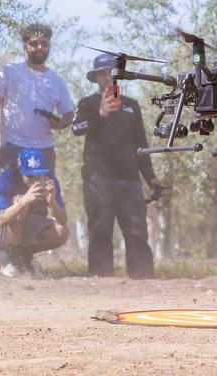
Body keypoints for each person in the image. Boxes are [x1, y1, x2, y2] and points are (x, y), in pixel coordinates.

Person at [0, 23, 74, 268]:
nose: (39, 47)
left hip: (44, 147)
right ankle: (6, 253)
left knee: (39, 204)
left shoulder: (56, 80)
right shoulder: (9, 71)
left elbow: (67, 115)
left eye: (44, 43)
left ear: (49, 46)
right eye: (34, 43)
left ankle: (25, 257)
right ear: (25, 45)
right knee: (14, 200)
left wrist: (58, 123)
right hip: (13, 145)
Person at [71, 53, 165, 278]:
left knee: (137, 233)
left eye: (111, 72)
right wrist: (100, 113)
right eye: (102, 73)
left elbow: (141, 143)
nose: (107, 77)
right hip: (98, 179)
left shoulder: (132, 105)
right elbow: (76, 128)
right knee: (100, 232)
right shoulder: (87, 104)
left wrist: (150, 176)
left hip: (130, 179)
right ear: (95, 77)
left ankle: (143, 281)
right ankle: (101, 281)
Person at [0, 147, 69, 277]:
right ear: (20, 170)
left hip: (30, 224)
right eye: (29, 175)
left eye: (38, 174)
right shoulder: (8, 177)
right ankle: (9, 255)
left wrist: (52, 202)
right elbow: (1, 219)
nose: (34, 179)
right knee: (18, 204)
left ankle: (24, 256)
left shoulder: (49, 180)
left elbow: (63, 221)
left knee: (62, 232)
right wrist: (23, 201)